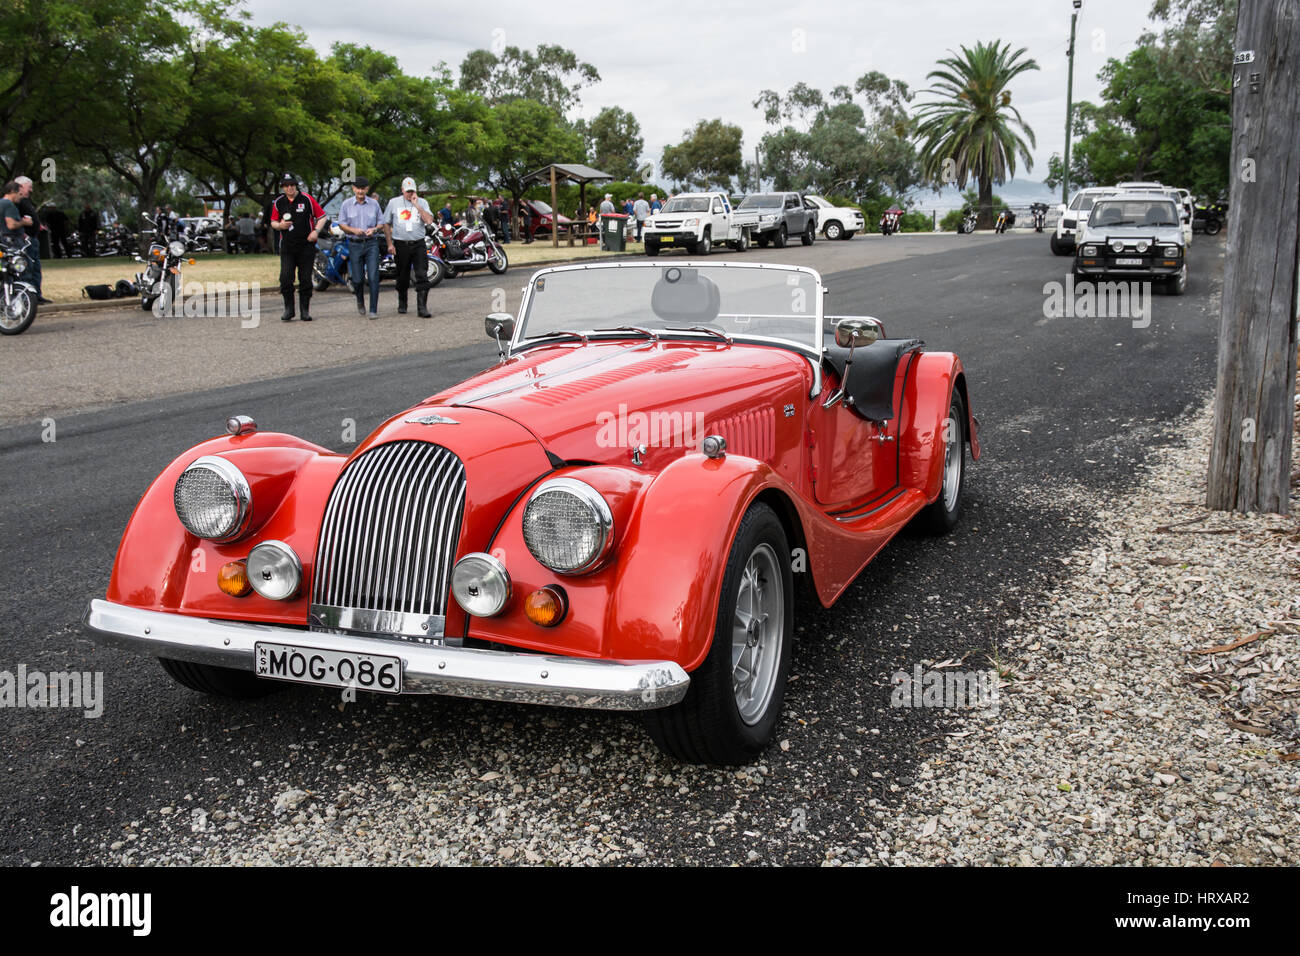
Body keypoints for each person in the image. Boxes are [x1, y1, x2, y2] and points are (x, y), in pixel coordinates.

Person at [269, 172, 326, 322]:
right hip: (287, 246)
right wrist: (280, 225)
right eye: (286, 186)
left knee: (305, 278)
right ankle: (289, 309)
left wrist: (316, 231)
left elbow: (322, 217)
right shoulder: (279, 202)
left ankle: (304, 310)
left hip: (306, 245)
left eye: (292, 185)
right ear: (283, 187)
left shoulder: (306, 199)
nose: (290, 188)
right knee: (285, 277)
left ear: (296, 186)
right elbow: (273, 222)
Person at [383, 176, 434, 318]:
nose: (410, 194)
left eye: (412, 191)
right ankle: (402, 301)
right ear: (402, 190)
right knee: (402, 276)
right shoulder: (394, 203)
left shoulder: (422, 202)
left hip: (418, 243)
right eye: (407, 192)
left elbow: (429, 220)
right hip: (401, 244)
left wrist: (417, 205)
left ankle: (422, 307)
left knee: (422, 275)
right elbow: (386, 223)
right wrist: (389, 243)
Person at [337, 175, 384, 317]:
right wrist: (353, 230)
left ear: (367, 189)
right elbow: (342, 224)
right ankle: (359, 300)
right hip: (354, 243)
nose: (360, 192)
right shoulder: (346, 204)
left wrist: (374, 229)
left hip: (371, 243)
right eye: (358, 188)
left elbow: (381, 223)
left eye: (363, 189)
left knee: (374, 276)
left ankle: (373, 309)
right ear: (353, 189)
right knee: (357, 279)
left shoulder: (374, 204)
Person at [14, 176, 49, 303]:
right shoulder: (16, 201)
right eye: (30, 187)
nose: (31, 190)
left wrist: (37, 224)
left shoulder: (26, 201)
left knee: (35, 267)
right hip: (25, 240)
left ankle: (37, 294)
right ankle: (28, 297)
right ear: (21, 186)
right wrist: (24, 234)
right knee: (27, 268)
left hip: (33, 238)